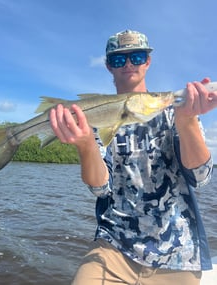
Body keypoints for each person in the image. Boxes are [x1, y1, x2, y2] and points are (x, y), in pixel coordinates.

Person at [49, 29, 217, 285]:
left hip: (178, 254)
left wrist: (188, 121)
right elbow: (100, 188)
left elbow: (201, 177)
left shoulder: (176, 112)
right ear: (109, 66)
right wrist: (85, 145)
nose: (128, 64)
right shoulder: (94, 121)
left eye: (136, 57)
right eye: (119, 59)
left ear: (147, 61)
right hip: (113, 248)